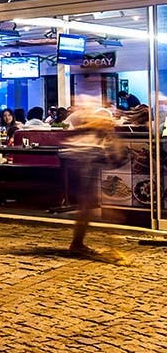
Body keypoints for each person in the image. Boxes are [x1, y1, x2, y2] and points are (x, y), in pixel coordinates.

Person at [62, 98, 127, 261]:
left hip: (80, 169)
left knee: (87, 209)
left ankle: (78, 244)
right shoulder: (90, 141)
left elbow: (114, 157)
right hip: (79, 170)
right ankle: (81, 245)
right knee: (88, 207)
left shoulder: (96, 139)